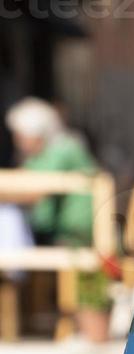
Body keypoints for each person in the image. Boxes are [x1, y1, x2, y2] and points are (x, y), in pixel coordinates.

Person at [4, 97, 98, 247]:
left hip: (77, 233)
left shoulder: (63, 148)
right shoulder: (41, 154)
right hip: (58, 230)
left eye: (20, 136)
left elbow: (31, 190)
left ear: (35, 134)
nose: (16, 141)